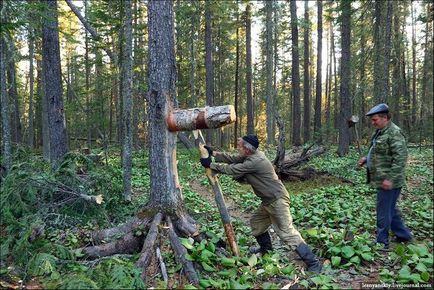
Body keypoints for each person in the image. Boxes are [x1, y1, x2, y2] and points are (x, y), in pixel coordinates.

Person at [199, 134, 322, 272]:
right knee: (257, 223)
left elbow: (234, 169)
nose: (237, 149)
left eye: (239, 147)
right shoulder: (251, 155)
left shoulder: (256, 161)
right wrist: (214, 153)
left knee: (287, 232)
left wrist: (211, 165)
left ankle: (313, 263)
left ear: (247, 149)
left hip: (277, 200)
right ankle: (266, 251)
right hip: (268, 201)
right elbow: (234, 159)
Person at [357, 103, 413, 249]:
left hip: (388, 181)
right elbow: (379, 151)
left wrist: (390, 179)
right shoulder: (381, 131)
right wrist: (366, 159)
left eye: (375, 119)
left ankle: (382, 242)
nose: (372, 122)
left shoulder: (394, 133)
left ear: (385, 118)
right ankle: (404, 235)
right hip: (382, 178)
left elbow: (400, 158)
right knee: (390, 210)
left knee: (383, 211)